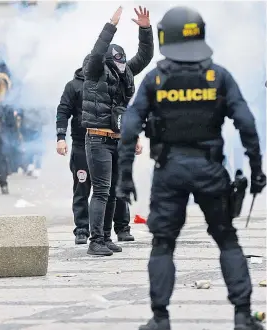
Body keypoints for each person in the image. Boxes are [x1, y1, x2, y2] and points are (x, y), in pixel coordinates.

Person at [116, 7, 266, 330]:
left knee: (163, 243)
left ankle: (160, 318)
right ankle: (242, 315)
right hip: (211, 169)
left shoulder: (155, 79)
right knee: (227, 238)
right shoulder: (219, 76)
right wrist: (257, 170)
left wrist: (125, 174)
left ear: (164, 37)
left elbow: (129, 126)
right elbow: (247, 124)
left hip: (169, 170)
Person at [81, 6, 153, 256]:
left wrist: (145, 29)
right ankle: (95, 241)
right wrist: (110, 26)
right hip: (98, 139)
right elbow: (98, 50)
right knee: (101, 190)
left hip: (118, 139)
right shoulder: (95, 71)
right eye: (119, 61)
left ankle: (107, 237)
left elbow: (144, 56)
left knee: (112, 191)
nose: (124, 66)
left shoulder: (125, 74)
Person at [56, 55, 141, 244]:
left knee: (114, 187)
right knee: (83, 187)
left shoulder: (109, 83)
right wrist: (60, 138)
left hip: (110, 141)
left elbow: (122, 112)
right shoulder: (74, 86)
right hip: (82, 143)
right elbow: (63, 111)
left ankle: (121, 227)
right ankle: (82, 229)